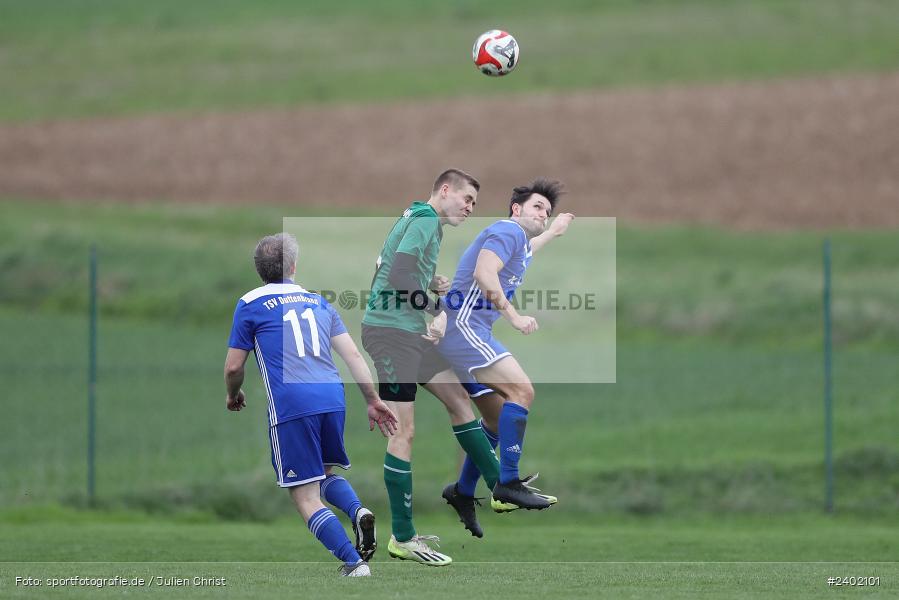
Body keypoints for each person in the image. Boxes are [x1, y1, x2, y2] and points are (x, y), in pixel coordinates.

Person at [224, 233, 398, 577]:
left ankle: (354, 563)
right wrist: (373, 399)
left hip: (293, 404)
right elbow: (353, 355)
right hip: (332, 397)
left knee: (304, 495)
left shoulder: (250, 303)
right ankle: (358, 511)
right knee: (324, 474)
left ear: (259, 269)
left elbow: (233, 367)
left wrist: (233, 393)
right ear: (293, 266)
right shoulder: (318, 302)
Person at [361, 168, 502, 566]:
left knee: (459, 400)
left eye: (474, 203)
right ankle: (403, 537)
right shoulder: (425, 219)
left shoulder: (420, 218)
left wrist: (428, 285)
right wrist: (436, 308)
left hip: (407, 332)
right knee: (402, 432)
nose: (470, 208)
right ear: (445, 190)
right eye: (467, 199)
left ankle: (502, 486)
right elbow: (398, 275)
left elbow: (390, 270)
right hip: (391, 334)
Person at [429, 178, 574, 537]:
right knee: (522, 391)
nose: (543, 214)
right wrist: (514, 317)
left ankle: (462, 492)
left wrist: (553, 232)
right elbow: (484, 272)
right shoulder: (507, 231)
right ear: (516, 209)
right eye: (537, 207)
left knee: (495, 419)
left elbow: (527, 250)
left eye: (547, 211)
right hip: (463, 328)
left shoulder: (518, 240)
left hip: (464, 330)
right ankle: (507, 483)